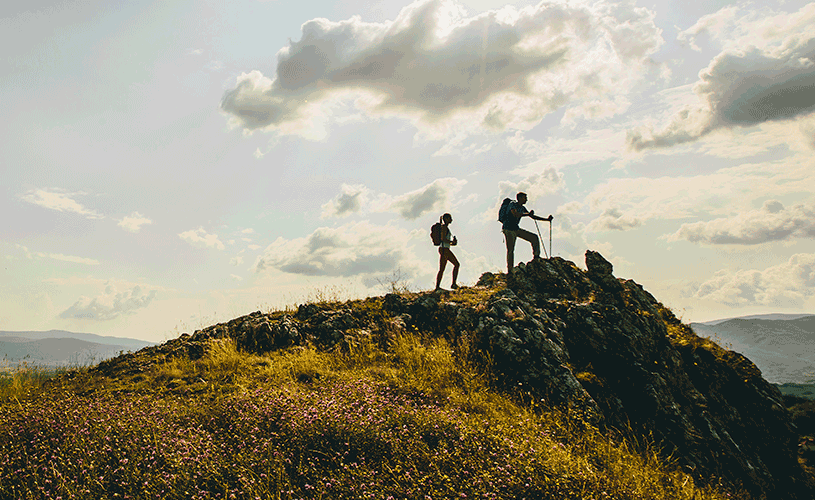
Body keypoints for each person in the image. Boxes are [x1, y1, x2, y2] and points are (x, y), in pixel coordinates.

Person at [502, 192, 552, 272]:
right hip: (508, 229)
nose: (526, 199)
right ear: (520, 198)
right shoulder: (513, 204)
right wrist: (528, 214)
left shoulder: (522, 208)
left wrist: (546, 219)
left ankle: (536, 257)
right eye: (525, 198)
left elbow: (532, 216)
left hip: (516, 229)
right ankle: (510, 270)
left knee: (534, 237)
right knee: (511, 250)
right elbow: (515, 214)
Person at [435, 213, 460, 290]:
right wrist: (452, 242)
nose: (451, 220)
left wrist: (452, 243)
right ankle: (453, 284)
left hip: (444, 249)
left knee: (442, 269)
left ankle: (438, 286)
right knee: (456, 264)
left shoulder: (445, 228)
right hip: (444, 250)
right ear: (446, 219)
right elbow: (443, 239)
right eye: (450, 218)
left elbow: (444, 241)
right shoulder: (444, 228)